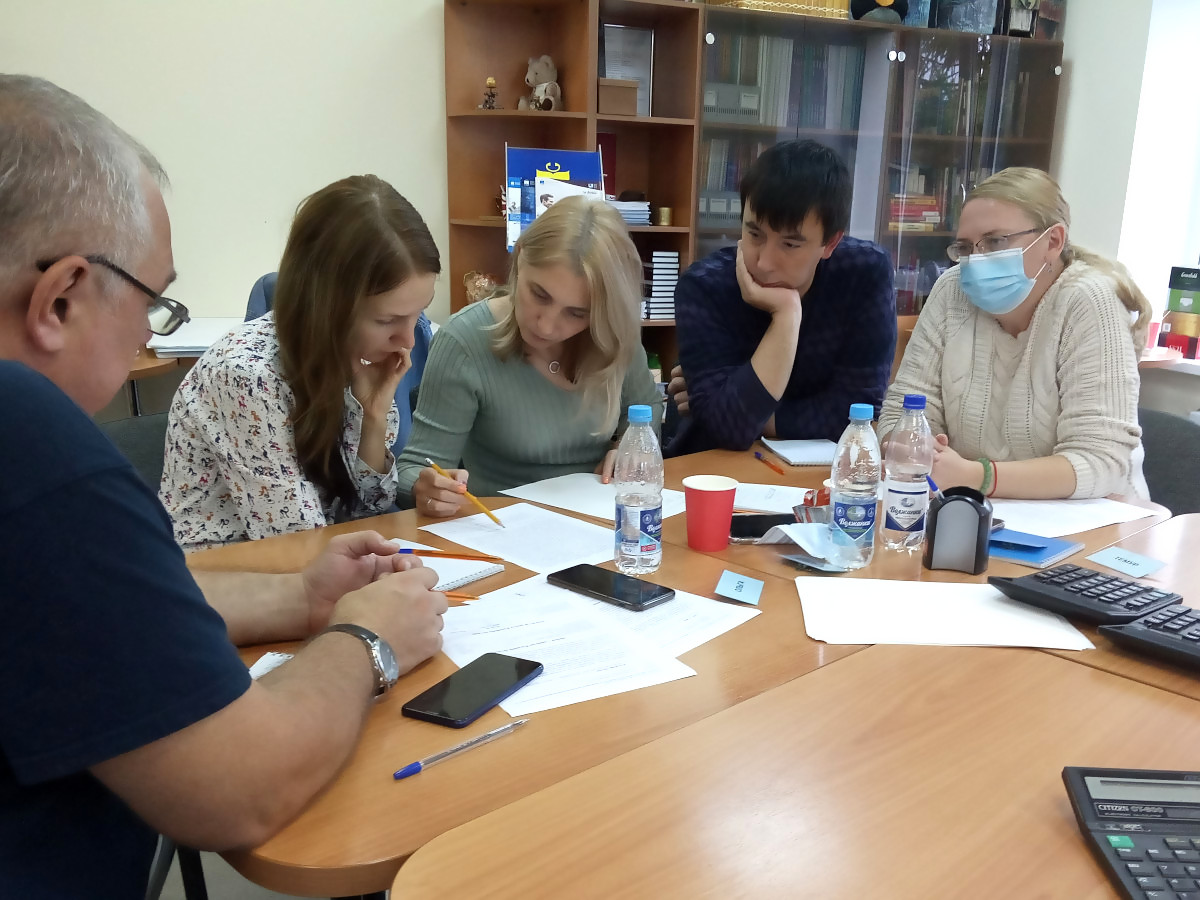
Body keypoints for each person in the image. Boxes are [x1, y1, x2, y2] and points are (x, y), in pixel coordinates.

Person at [0, 75, 447, 898]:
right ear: (59, 298)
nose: (152, 329)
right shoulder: (34, 442)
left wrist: (304, 599)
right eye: (155, 303)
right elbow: (240, 786)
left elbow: (92, 609)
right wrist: (367, 639)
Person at [160, 175, 441, 549]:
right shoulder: (246, 375)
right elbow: (296, 542)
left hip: (309, 566)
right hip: (222, 574)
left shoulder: (353, 357)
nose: (408, 341)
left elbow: (370, 507)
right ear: (325, 304)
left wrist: (373, 417)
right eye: (387, 320)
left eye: (419, 313)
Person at [879, 167, 1151, 500]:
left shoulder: (1089, 299)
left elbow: (1102, 461)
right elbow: (902, 410)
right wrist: (910, 445)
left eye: (995, 241)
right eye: (965, 247)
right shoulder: (952, 290)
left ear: (1053, 241)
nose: (976, 260)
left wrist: (978, 477)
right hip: (967, 506)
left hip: (1094, 517)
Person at [397, 195, 660, 514]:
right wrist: (426, 489)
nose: (546, 326)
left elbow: (646, 410)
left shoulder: (614, 334)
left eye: (577, 313)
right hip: (502, 527)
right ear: (519, 257)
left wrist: (628, 447)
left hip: (602, 522)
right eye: (539, 294)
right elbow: (414, 469)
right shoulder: (464, 340)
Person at [665, 139, 896, 455]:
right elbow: (727, 430)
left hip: (820, 471)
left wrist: (751, 414)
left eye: (790, 244)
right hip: (715, 468)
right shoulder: (704, 286)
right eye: (754, 234)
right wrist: (786, 316)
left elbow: (858, 412)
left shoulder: (865, 272)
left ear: (830, 243)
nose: (764, 262)